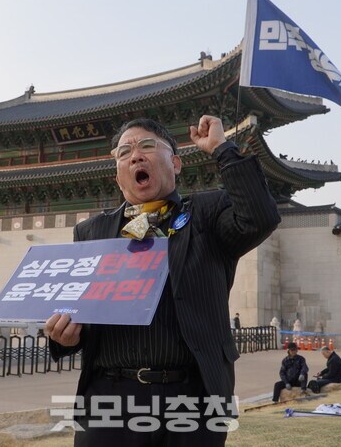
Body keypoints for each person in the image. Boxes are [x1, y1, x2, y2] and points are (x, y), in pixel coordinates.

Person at [44, 115, 280, 445]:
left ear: (176, 163)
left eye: (147, 146)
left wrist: (222, 148)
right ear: (118, 177)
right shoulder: (91, 232)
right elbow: (83, 310)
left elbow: (260, 217)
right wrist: (65, 337)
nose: (135, 156)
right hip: (111, 395)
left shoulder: (207, 214)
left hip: (194, 396)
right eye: (124, 152)